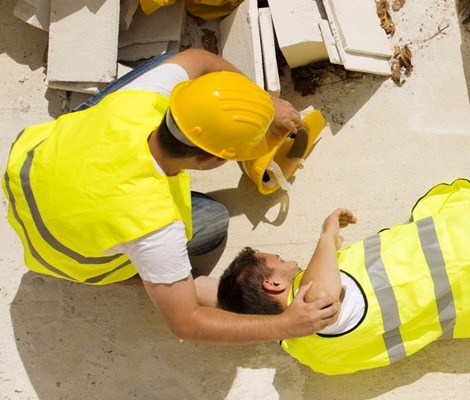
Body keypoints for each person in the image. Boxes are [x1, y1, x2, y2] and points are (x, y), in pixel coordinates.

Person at [2, 48, 338, 344]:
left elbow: (201, 59)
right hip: (61, 253)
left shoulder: (142, 101)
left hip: (31, 173)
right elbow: (186, 324)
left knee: (169, 63)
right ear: (208, 159)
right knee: (213, 220)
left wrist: (263, 105)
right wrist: (286, 325)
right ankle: (141, 277)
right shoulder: (154, 223)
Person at [217, 125, 470, 374]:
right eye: (275, 261)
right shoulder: (314, 314)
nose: (284, 258)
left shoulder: (315, 356)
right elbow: (323, 300)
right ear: (273, 286)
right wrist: (326, 234)